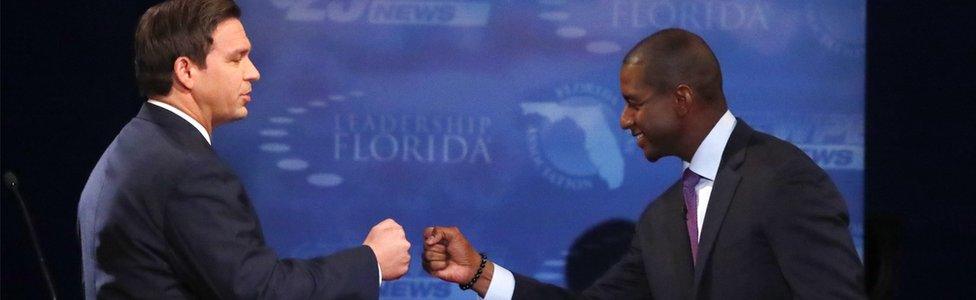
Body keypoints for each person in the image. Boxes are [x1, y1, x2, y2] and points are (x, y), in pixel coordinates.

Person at [422, 28, 866, 299]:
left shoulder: (781, 180)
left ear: (681, 99)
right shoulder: (662, 220)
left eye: (634, 103)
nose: (623, 119)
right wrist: (480, 274)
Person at [77, 0, 410, 298]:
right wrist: (371, 262)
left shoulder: (127, 151)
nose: (254, 73)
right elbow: (261, 290)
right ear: (186, 71)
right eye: (237, 59)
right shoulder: (187, 171)